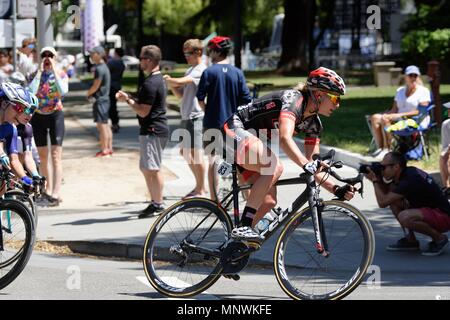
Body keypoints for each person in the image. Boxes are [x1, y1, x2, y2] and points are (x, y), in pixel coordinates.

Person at [220, 67, 354, 242]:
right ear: (320, 95)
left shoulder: (313, 124)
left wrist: (336, 188)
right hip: (235, 129)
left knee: (269, 202)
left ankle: (232, 247)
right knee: (273, 166)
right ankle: (244, 227)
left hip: (250, 142)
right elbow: (284, 138)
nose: (338, 104)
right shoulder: (294, 100)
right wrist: (304, 164)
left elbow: (313, 164)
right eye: (335, 98)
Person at [115, 45, 169, 219]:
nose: (140, 62)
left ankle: (158, 204)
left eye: (142, 58)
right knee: (147, 167)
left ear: (149, 60)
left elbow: (143, 111)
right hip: (154, 129)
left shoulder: (151, 83)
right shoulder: (157, 79)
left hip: (153, 129)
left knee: (153, 168)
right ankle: (155, 201)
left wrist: (128, 100)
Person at [196, 36, 251, 201]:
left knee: (213, 158)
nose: (209, 54)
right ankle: (247, 198)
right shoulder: (237, 73)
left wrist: (209, 110)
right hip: (235, 125)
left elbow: (200, 99)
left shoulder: (209, 72)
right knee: (239, 162)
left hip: (213, 122)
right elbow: (246, 101)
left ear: (216, 51)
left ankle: (214, 200)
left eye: (210, 50)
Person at [365, 151, 450, 256]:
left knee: (405, 217)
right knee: (394, 202)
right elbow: (387, 196)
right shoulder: (406, 174)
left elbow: (382, 202)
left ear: (396, 167)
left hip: (444, 217)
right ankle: (411, 241)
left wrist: (375, 180)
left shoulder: (410, 179)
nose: (382, 171)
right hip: (432, 212)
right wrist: (378, 178)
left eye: (384, 168)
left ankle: (439, 239)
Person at [164, 39, 207, 198]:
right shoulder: (189, 70)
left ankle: (201, 189)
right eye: (185, 53)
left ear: (198, 53)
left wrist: (169, 80)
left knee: (196, 154)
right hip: (186, 116)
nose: (186, 56)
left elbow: (182, 82)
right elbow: (181, 94)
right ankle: (199, 186)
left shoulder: (201, 70)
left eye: (189, 53)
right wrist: (172, 86)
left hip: (196, 116)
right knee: (185, 152)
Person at [28, 47, 69, 206]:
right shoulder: (34, 74)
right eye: (44, 55)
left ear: (55, 58)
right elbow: (31, 92)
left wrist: (54, 70)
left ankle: (55, 192)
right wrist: (39, 72)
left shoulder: (60, 74)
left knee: (56, 156)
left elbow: (63, 91)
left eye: (50, 55)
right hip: (38, 116)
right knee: (43, 157)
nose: (46, 58)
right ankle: (46, 191)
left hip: (55, 116)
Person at [369, 65, 431, 159]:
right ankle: (380, 148)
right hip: (400, 118)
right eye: (411, 75)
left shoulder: (423, 91)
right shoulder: (400, 91)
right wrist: (386, 114)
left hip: (416, 120)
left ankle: (387, 150)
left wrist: (397, 115)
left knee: (385, 119)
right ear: (405, 77)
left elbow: (420, 111)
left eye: (415, 75)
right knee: (376, 117)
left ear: (418, 77)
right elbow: (394, 109)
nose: (413, 78)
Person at [0, 82, 40, 191]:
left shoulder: (10, 128)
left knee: (4, 184)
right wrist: (2, 154)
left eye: (23, 110)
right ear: (4, 104)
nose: (21, 113)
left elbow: (14, 160)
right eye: (18, 108)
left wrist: (26, 179)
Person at [87, 46, 113, 157]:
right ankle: (109, 148)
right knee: (105, 125)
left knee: (101, 126)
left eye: (93, 54)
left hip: (100, 100)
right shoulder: (104, 67)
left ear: (99, 54)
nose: (91, 56)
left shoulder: (99, 69)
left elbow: (96, 85)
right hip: (105, 99)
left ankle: (104, 149)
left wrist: (88, 93)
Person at [107, 48, 126, 133]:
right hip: (117, 85)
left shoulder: (112, 62)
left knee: (111, 106)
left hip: (110, 86)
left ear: (116, 53)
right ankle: (115, 122)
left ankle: (114, 123)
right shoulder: (122, 63)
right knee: (113, 105)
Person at [439, 102, 450, 193]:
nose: (448, 112)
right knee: (443, 156)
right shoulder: (446, 124)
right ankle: (446, 188)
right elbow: (445, 146)